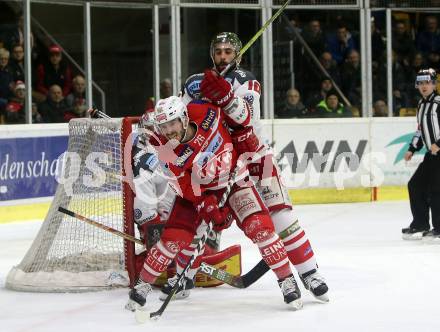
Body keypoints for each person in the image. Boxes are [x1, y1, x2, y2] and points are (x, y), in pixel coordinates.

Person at [181, 32, 329, 302]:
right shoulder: (194, 84)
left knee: (281, 216)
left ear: (238, 55)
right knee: (197, 214)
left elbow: (246, 120)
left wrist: (226, 97)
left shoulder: (246, 81)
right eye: (218, 51)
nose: (223, 56)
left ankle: (309, 273)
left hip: (255, 156)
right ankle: (185, 274)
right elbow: (182, 124)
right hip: (217, 162)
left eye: (228, 52)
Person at [126, 96, 303, 311]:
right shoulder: (165, 151)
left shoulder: (204, 111)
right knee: (172, 240)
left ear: (184, 118)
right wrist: (204, 204)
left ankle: (287, 281)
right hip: (199, 192)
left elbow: (235, 118)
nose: (168, 130)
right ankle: (141, 288)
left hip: (235, 180)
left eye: (172, 123)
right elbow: (183, 186)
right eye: (163, 126)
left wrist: (240, 134)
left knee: (261, 229)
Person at [402, 68, 440, 240]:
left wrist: (438, 144)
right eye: (421, 83)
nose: (424, 86)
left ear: (434, 84)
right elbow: (420, 130)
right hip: (431, 156)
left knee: (436, 191)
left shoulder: (439, 103)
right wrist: (412, 148)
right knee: (415, 185)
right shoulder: (421, 104)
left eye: (428, 82)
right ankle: (420, 224)